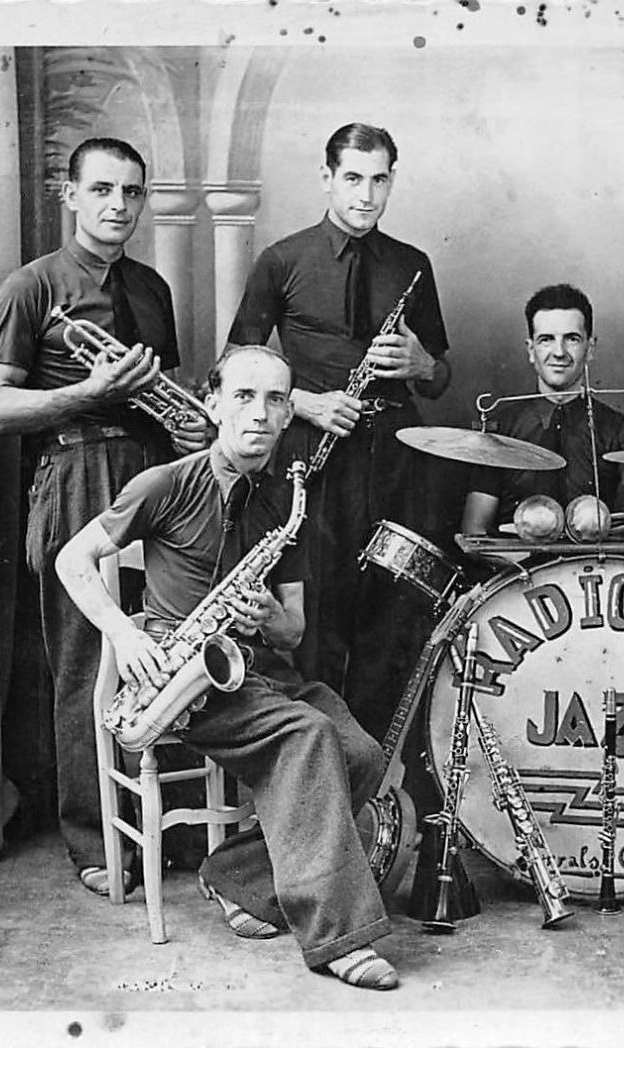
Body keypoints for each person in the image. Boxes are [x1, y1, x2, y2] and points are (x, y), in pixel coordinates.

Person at [54, 344, 401, 991]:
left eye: (276, 399)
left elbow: (292, 629)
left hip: (255, 667)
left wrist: (268, 612)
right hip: (183, 677)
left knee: (361, 753)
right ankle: (338, 936)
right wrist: (123, 633)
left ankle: (236, 876)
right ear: (211, 402)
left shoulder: (284, 504)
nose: (260, 414)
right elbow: (73, 559)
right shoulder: (164, 483)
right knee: (308, 736)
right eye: (243, 396)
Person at [0, 136, 211, 896]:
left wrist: (191, 430)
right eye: (102, 190)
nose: (118, 205)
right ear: (69, 195)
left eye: (132, 192)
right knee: (87, 662)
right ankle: (95, 839)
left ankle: (167, 827)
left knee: (166, 647)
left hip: (152, 476)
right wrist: (88, 391)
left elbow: (166, 397)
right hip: (75, 471)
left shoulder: (151, 287)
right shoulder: (31, 286)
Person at [227, 122, 450, 743]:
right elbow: (233, 363)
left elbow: (438, 376)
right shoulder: (282, 260)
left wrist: (421, 365)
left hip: (397, 459)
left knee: (387, 618)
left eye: (379, 180)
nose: (366, 195)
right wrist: (304, 403)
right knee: (316, 619)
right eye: (352, 178)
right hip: (313, 458)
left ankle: (375, 784)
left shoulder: (412, 265)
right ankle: (320, 773)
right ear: (327, 178)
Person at [461, 284, 624, 537]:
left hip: (596, 570)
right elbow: (474, 529)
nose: (559, 352)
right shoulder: (500, 429)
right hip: (518, 569)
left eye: (572, 339)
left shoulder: (618, 428)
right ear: (531, 350)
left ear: (590, 348)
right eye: (546, 340)